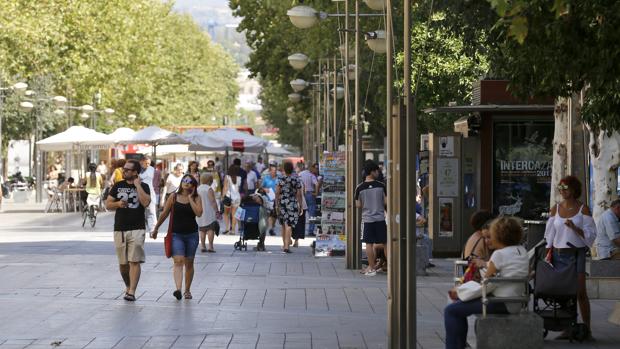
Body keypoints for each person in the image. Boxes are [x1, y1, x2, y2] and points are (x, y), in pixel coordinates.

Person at [444, 216, 529, 349]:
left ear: (499, 236)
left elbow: (486, 284)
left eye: (491, 235)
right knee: (457, 308)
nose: (488, 239)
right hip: (516, 302)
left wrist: (460, 291)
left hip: (500, 302)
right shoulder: (521, 251)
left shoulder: (499, 254)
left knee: (451, 311)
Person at [544, 175, 596, 339]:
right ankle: (568, 327)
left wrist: (574, 227)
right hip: (559, 254)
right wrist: (548, 252)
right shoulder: (556, 208)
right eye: (560, 188)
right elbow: (550, 234)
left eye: (565, 187)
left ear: (574, 189)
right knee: (563, 292)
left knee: (581, 292)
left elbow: (591, 235)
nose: (562, 190)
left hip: (576, 253)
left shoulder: (583, 209)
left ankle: (587, 329)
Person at [105, 159, 151, 302]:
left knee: (134, 261)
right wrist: (118, 203)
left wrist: (138, 186)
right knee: (123, 264)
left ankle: (131, 292)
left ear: (135, 172)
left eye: (127, 170)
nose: (124, 171)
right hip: (120, 228)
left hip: (137, 228)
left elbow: (146, 202)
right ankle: (128, 285)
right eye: (124, 169)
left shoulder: (144, 186)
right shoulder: (118, 185)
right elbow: (108, 204)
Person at [152, 174, 202, 300]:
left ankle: (187, 290)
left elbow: (199, 213)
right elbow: (164, 213)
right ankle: (178, 289)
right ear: (181, 182)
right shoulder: (173, 196)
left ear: (193, 185)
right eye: (184, 181)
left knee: (189, 263)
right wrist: (156, 228)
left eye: (190, 182)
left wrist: (190, 198)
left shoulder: (196, 197)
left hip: (192, 235)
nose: (186, 183)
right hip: (176, 234)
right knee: (178, 261)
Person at [355, 161, 387, 276]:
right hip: (380, 219)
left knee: (368, 244)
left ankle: (371, 267)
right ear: (372, 172)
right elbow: (386, 202)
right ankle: (390, 266)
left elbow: (358, 205)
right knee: (385, 242)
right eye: (377, 170)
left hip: (367, 220)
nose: (378, 172)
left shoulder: (359, 187)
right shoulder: (381, 186)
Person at [275, 161, 303, 253]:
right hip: (292, 203)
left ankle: (284, 245)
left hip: (282, 203)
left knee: (283, 225)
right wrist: (300, 205)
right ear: (292, 169)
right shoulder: (296, 179)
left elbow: (277, 192)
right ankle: (286, 246)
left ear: (284, 169)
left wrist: (276, 204)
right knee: (289, 225)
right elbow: (299, 194)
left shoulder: (280, 178)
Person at [197, 174, 220, 253]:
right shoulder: (209, 189)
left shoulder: (198, 188)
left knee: (202, 229)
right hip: (209, 212)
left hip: (200, 212)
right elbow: (213, 201)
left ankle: (203, 246)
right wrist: (217, 211)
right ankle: (210, 246)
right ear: (209, 181)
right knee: (210, 229)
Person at [299, 163, 319, 236]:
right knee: (312, 214)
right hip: (310, 194)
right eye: (315, 168)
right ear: (311, 168)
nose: (316, 170)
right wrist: (316, 193)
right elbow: (316, 184)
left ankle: (301, 231)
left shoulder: (300, 174)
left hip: (301, 195)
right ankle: (310, 231)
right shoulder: (311, 175)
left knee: (302, 213)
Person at [222, 164, 242, 235]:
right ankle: (233, 230)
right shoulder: (239, 178)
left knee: (226, 214)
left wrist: (222, 196)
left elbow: (225, 188)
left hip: (228, 197)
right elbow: (238, 189)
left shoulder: (227, 177)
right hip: (237, 197)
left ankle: (227, 228)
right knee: (234, 215)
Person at [260, 163, 279, 236]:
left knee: (274, 215)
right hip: (268, 199)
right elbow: (261, 188)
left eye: (275, 171)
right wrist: (265, 189)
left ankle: (272, 227)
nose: (274, 172)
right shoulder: (266, 178)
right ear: (270, 171)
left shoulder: (279, 178)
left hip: (276, 199)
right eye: (273, 171)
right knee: (270, 215)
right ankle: (271, 228)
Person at [139, 155, 157, 231]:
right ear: (141, 162)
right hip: (139, 192)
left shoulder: (152, 169)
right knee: (140, 212)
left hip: (150, 192)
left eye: (149, 163)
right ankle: (141, 228)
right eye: (146, 163)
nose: (147, 165)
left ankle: (152, 229)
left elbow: (155, 182)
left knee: (151, 212)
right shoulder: (136, 170)